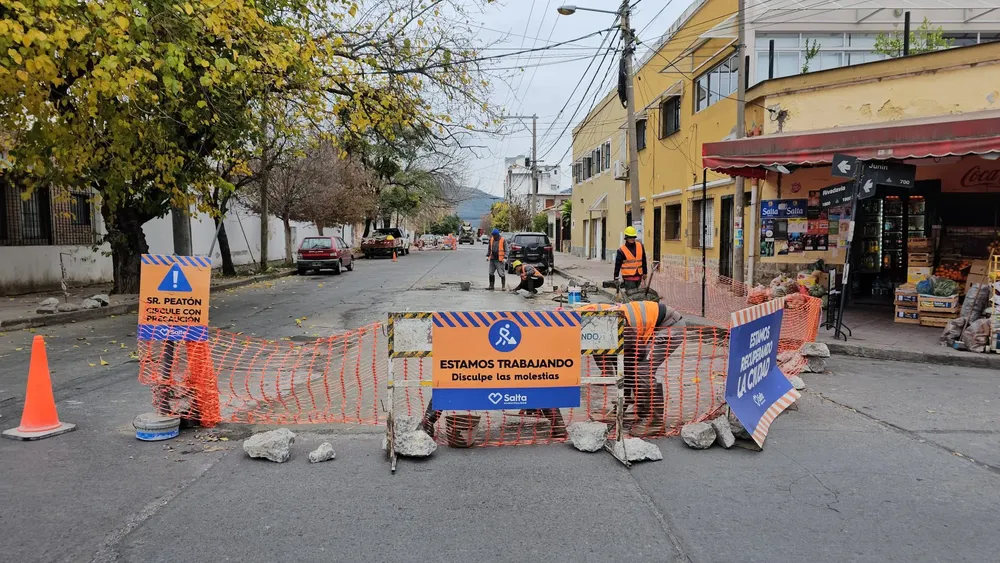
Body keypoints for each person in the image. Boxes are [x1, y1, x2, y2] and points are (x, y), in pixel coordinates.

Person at [576, 301, 686, 434]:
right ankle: (641, 411)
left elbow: (637, 353)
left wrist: (625, 399)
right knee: (630, 367)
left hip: (670, 325)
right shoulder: (583, 321)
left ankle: (654, 423)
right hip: (648, 325)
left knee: (643, 370)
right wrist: (623, 402)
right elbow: (620, 365)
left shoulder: (609, 324)